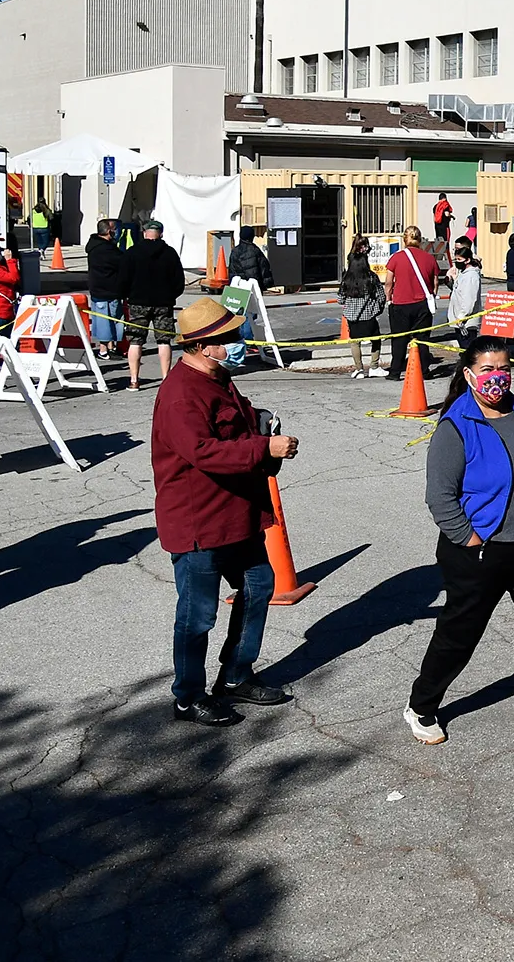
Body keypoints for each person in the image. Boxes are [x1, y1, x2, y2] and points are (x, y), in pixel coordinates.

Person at [404, 336, 514, 744]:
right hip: (479, 551)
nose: (497, 377)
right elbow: (440, 496)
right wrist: (468, 539)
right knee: (460, 634)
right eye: (487, 370)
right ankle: (422, 705)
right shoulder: (455, 426)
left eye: (504, 369)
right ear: (468, 375)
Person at [151, 297, 299, 726]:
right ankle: (188, 696)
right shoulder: (180, 393)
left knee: (259, 585)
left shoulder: (218, 376)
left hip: (236, 511)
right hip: (199, 519)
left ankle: (236, 674)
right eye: (228, 337)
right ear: (201, 346)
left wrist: (261, 423)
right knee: (198, 614)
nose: (237, 342)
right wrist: (263, 447)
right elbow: (202, 451)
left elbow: (238, 419)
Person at [124, 220, 186, 392]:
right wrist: (170, 295)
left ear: (144, 232)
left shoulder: (132, 253)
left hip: (138, 302)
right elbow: (179, 281)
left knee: (135, 341)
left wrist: (128, 294)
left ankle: (134, 380)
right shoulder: (170, 253)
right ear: (161, 233)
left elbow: (123, 278)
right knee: (164, 340)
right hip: (163, 303)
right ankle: (166, 378)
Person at [384, 226, 438, 382]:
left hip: (400, 304)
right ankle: (424, 370)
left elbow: (389, 283)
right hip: (422, 304)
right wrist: (431, 295)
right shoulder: (429, 258)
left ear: (404, 239)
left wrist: (389, 298)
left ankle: (395, 371)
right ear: (420, 240)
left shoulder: (396, 258)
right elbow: (435, 282)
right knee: (422, 338)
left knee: (399, 339)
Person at [223, 225, 274, 370]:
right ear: (251, 236)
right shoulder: (255, 251)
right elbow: (263, 269)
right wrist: (265, 285)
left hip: (238, 288)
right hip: (252, 288)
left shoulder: (235, 251)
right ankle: (249, 341)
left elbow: (231, 269)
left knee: (240, 314)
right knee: (251, 315)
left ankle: (243, 343)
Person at [340, 236, 387, 380]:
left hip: (352, 317)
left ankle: (359, 369)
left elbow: (340, 298)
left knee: (355, 342)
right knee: (376, 339)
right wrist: (378, 308)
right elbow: (381, 296)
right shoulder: (371, 277)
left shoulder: (347, 278)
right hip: (369, 316)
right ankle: (374, 366)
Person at [85, 220, 127, 358]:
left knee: (109, 318)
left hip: (99, 288)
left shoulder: (95, 245)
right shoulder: (106, 250)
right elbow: (122, 262)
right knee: (107, 320)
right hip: (107, 289)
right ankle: (104, 350)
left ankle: (111, 346)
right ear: (109, 231)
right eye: (114, 229)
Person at [447, 237, 484, 340]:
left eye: (459, 260)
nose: (457, 262)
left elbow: (469, 299)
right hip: (459, 319)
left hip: (466, 321)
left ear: (467, 260)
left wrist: (462, 316)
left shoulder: (471, 276)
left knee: (468, 348)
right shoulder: (463, 273)